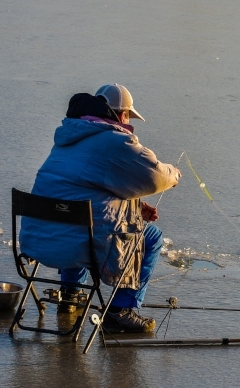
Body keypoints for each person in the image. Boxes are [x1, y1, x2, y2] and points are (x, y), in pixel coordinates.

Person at [19, 84, 181, 333]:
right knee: (151, 237)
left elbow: (83, 189)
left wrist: (133, 207)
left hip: (38, 239)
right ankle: (119, 310)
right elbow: (154, 176)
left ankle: (70, 294)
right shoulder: (116, 141)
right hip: (79, 242)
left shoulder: (68, 136)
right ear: (122, 114)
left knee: (77, 217)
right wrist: (174, 173)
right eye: (128, 115)